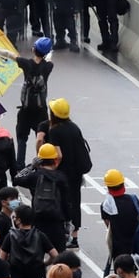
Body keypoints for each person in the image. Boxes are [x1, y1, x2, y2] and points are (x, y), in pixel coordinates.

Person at [0, 37, 53, 166]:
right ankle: (43, 163)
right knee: (42, 139)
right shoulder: (48, 67)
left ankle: (20, 166)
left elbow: (8, 54)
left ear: (33, 49)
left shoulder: (26, 64)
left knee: (21, 139)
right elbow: (49, 59)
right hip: (41, 112)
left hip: (25, 110)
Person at [38, 97, 90, 249]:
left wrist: (51, 168)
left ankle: (63, 233)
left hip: (64, 173)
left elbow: (59, 154)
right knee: (75, 201)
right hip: (77, 172)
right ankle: (75, 237)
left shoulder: (55, 130)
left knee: (62, 202)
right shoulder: (74, 127)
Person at [1, 205, 57, 278]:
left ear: (19, 220)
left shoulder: (10, 236)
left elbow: (1, 260)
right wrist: (45, 263)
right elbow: (55, 255)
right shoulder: (40, 235)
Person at [14, 143, 71, 252]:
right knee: (59, 256)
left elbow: (16, 179)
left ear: (39, 160)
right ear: (55, 160)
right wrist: (68, 221)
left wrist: (31, 166)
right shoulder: (61, 177)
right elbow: (66, 202)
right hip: (56, 221)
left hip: (38, 219)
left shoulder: (34, 176)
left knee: (37, 253)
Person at [101, 169, 139, 258]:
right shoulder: (133, 200)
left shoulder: (106, 206)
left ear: (108, 187)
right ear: (123, 184)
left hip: (118, 248)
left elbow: (109, 226)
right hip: (137, 244)